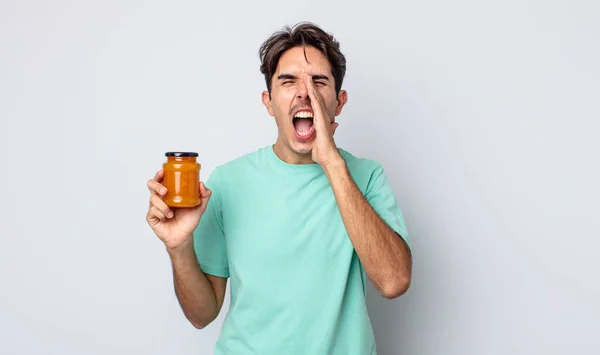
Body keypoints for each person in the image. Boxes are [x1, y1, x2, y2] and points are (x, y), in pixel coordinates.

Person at [146, 22, 412, 355]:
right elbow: (202, 315)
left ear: (339, 102)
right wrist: (178, 247)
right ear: (269, 102)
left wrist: (332, 163)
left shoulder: (367, 176)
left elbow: (394, 282)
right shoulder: (227, 183)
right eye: (288, 81)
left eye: (318, 81)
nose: (305, 93)